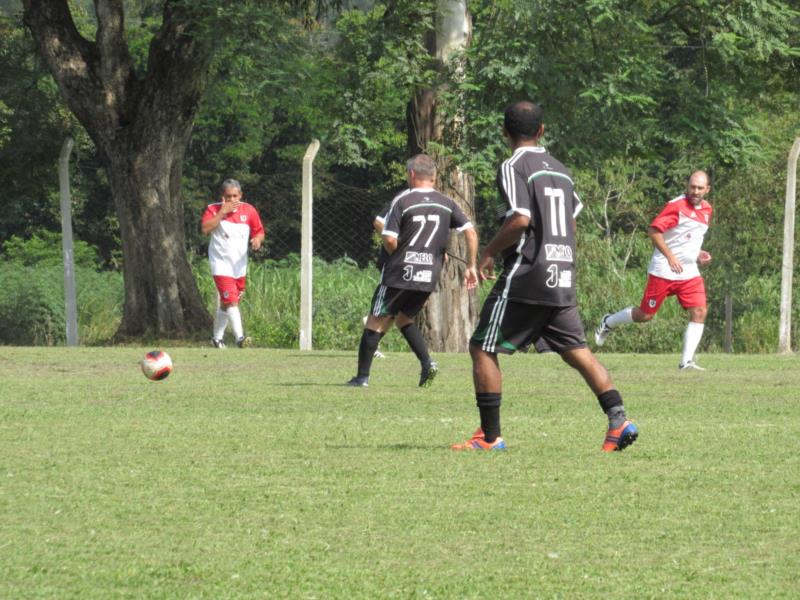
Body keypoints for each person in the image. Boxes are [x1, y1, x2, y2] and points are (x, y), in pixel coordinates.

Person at [451, 101, 638, 452]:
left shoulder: (512, 165)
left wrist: (488, 252)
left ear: (504, 132)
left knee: (481, 347)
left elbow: (520, 218)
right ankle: (618, 419)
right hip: (560, 270)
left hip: (529, 272)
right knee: (575, 349)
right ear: (541, 131)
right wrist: (562, 257)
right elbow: (570, 220)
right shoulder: (559, 168)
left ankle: (489, 438)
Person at [346, 154, 479, 387]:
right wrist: (471, 266)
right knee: (404, 318)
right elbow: (470, 232)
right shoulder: (447, 203)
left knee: (375, 321)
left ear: (411, 174)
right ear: (435, 177)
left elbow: (388, 238)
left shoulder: (403, 200)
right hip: (429, 274)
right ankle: (427, 363)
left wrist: (397, 252)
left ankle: (361, 378)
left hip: (400, 271)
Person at [594, 171, 713, 370]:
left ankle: (686, 362)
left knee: (699, 311)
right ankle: (609, 321)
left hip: (689, 271)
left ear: (707, 189)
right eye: (692, 186)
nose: (695, 191)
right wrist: (670, 257)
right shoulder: (677, 206)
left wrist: (698, 253)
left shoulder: (707, 209)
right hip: (664, 270)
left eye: (700, 188)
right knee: (645, 315)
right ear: (687, 186)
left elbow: (688, 237)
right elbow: (654, 231)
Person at [201, 179, 265, 348]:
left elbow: (259, 232)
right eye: (228, 196)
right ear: (223, 196)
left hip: (239, 265)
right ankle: (240, 338)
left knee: (227, 301)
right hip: (220, 264)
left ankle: (217, 338)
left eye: (235, 196)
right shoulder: (213, 209)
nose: (232, 200)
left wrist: (257, 240)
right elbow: (205, 228)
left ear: (240, 195)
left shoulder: (249, 211)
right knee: (231, 300)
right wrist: (222, 213)